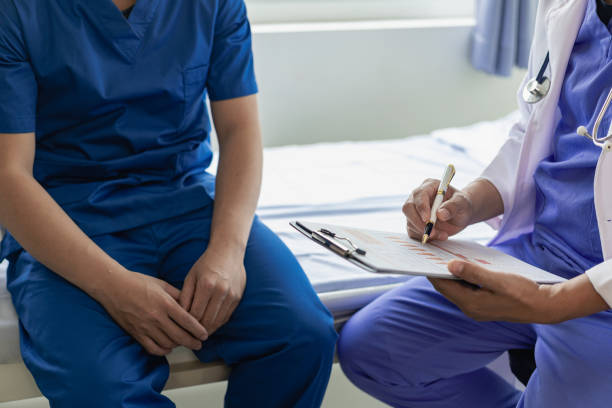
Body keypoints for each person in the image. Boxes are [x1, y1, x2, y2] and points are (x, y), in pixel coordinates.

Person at [0, 0, 337, 406]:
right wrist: (113, 287)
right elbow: (9, 175)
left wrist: (227, 254)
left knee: (302, 335)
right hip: (66, 218)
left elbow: (239, 130)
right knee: (102, 387)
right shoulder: (17, 11)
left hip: (188, 204)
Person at [337, 0, 612, 407]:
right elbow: (533, 130)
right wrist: (465, 204)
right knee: (372, 351)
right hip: (536, 255)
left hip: (600, 295)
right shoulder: (569, 7)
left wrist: (554, 303)